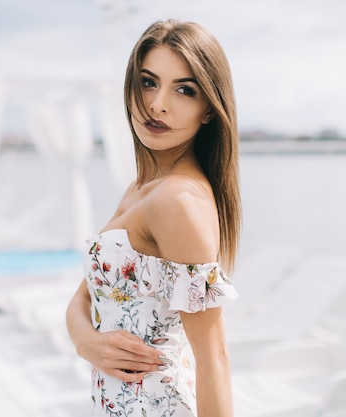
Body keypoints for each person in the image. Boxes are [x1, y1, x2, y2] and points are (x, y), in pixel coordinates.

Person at [66, 19, 241, 417]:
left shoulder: (177, 201)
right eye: (148, 82)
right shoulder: (143, 188)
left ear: (209, 111)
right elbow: (82, 298)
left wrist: (87, 341)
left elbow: (214, 357)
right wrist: (85, 342)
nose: (158, 103)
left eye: (184, 89)